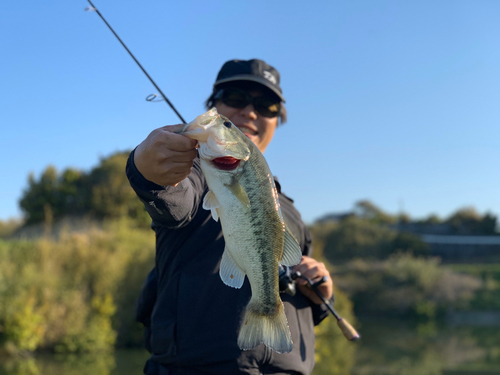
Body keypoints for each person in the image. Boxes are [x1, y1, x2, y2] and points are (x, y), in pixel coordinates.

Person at [126, 59, 334, 375]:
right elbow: (173, 200)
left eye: (267, 105)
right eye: (235, 98)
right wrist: (146, 170)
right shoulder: (192, 174)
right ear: (215, 104)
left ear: (277, 121)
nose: (250, 112)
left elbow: (289, 275)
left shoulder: (291, 211)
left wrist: (317, 293)